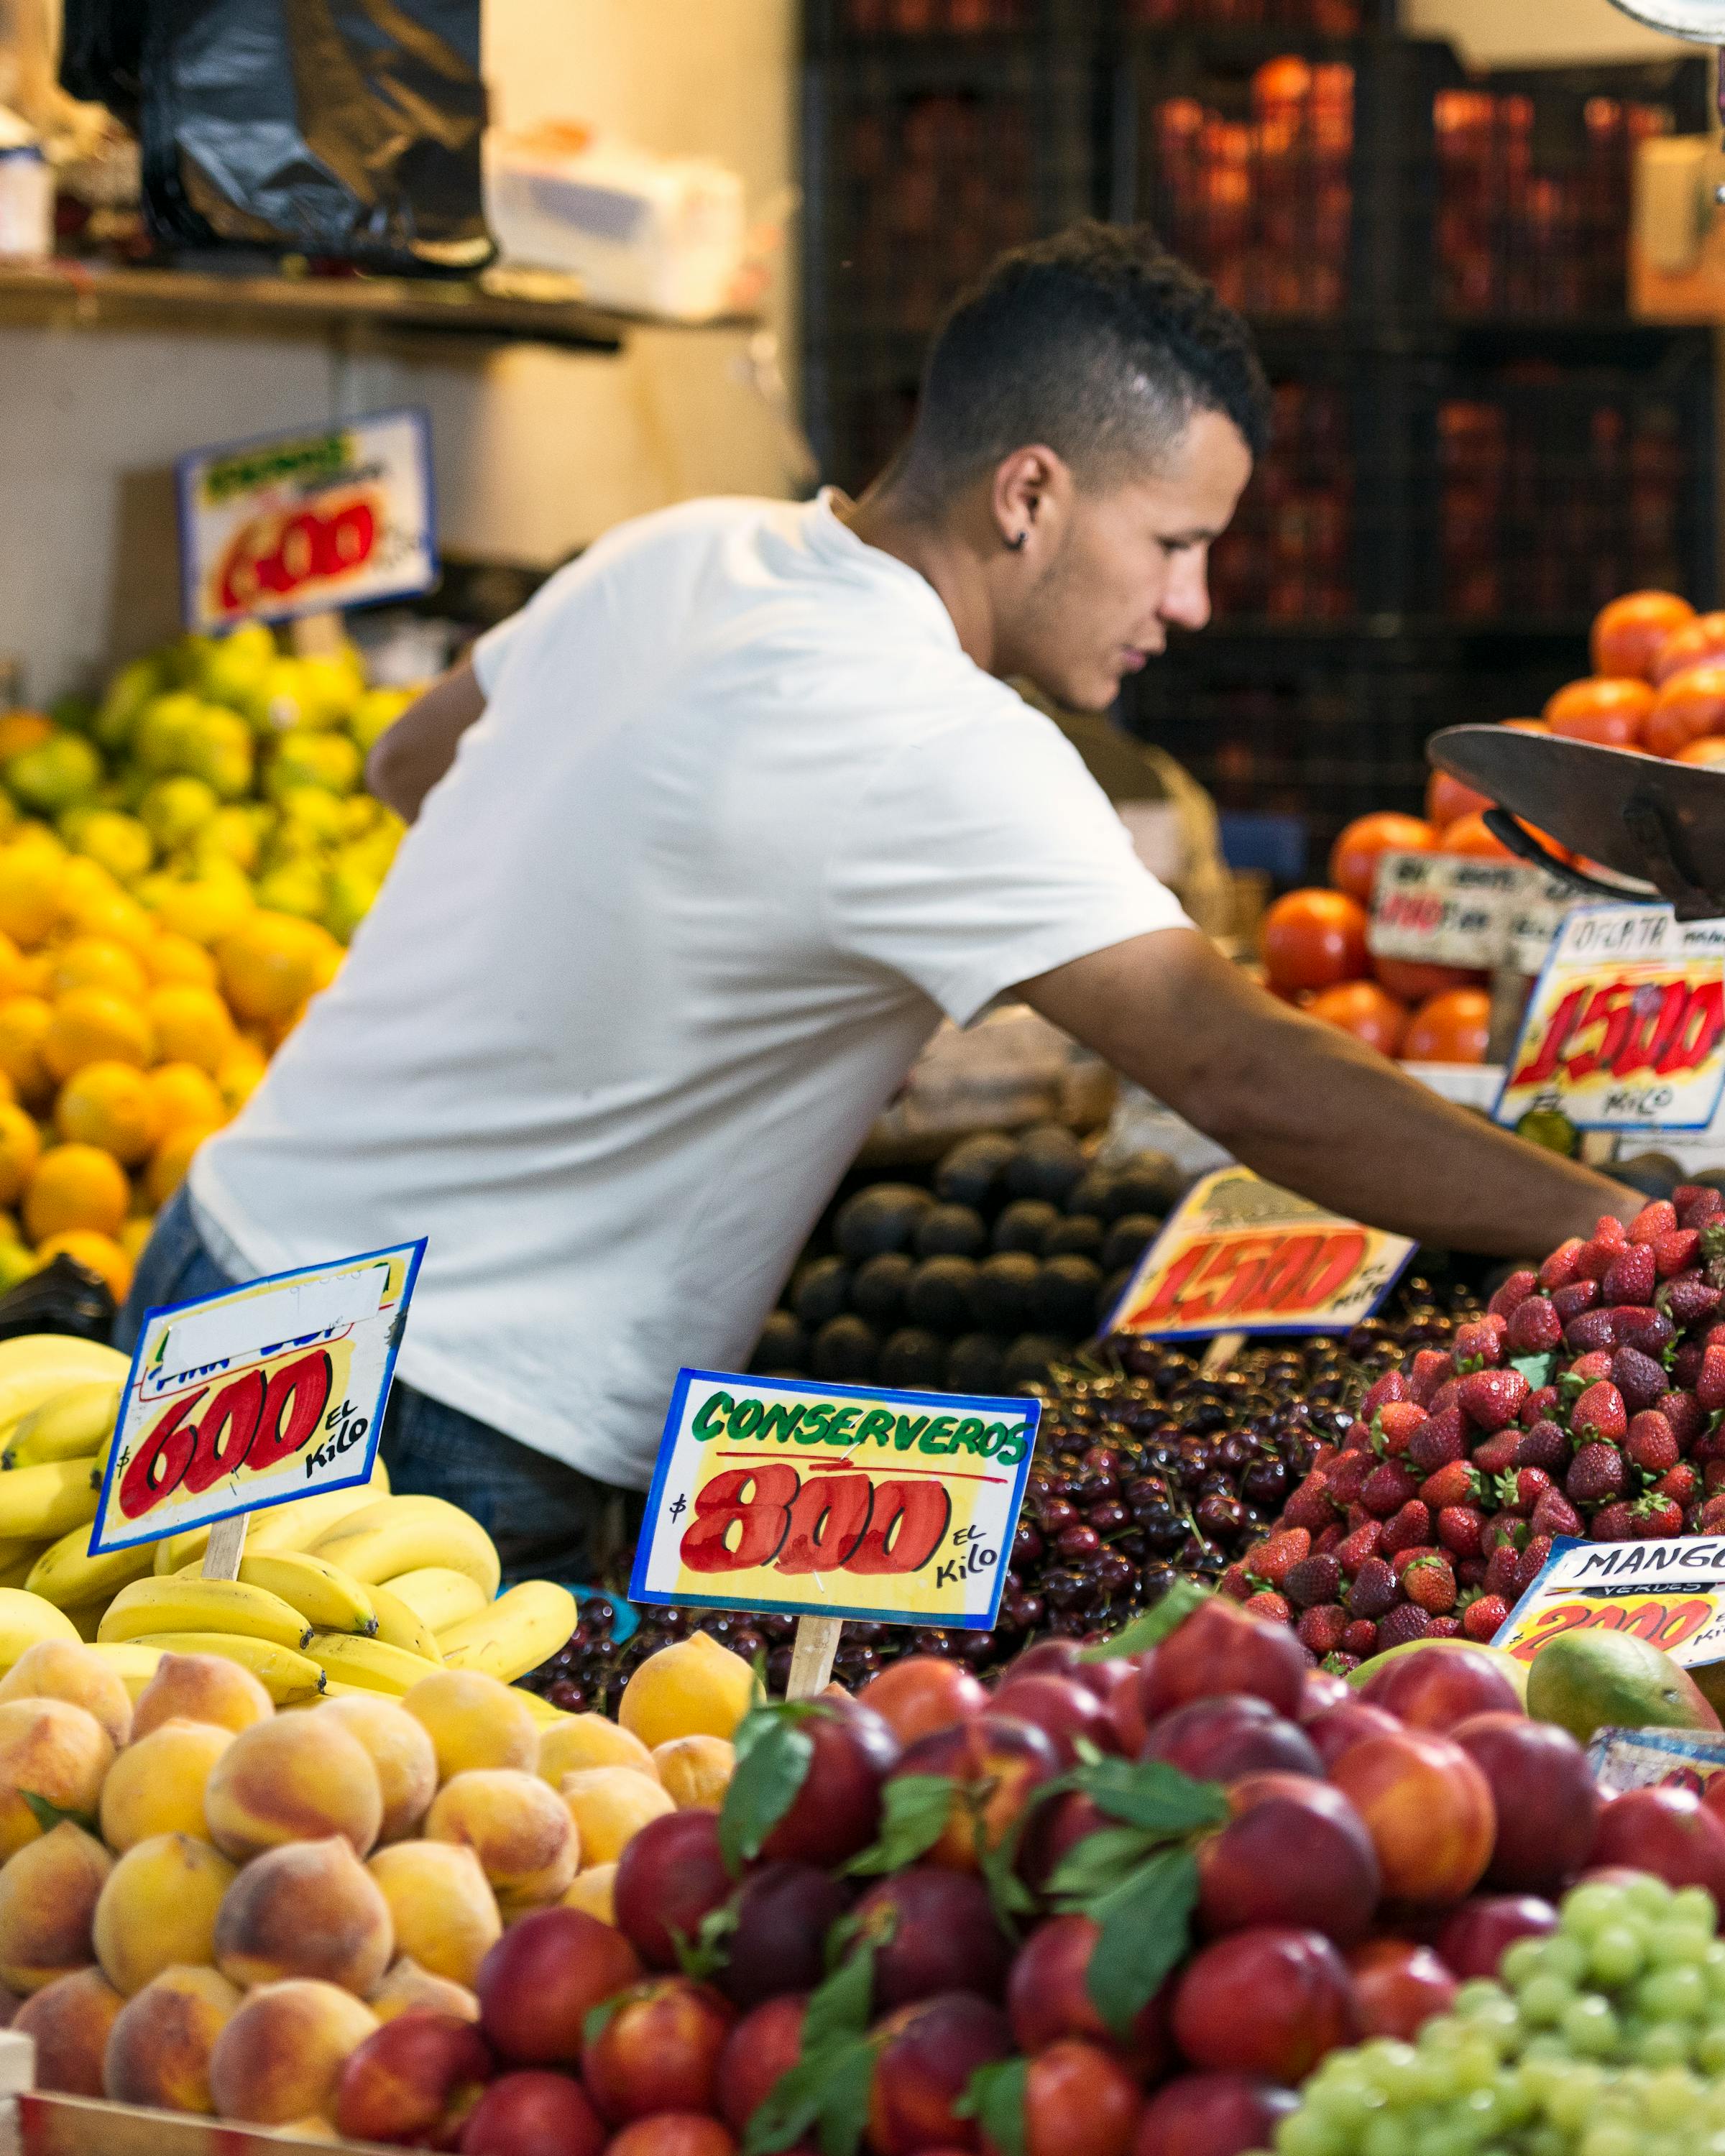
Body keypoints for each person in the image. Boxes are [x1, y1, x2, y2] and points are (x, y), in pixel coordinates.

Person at [119, 222, 1634, 1582]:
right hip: (449, 1416)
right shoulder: (937, 739)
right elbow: (1243, 1069)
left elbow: (410, 759)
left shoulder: (679, 546)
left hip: (223, 1266)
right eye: (1176, 544)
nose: (1195, 604)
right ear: (1031, 494)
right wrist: (1629, 1227)